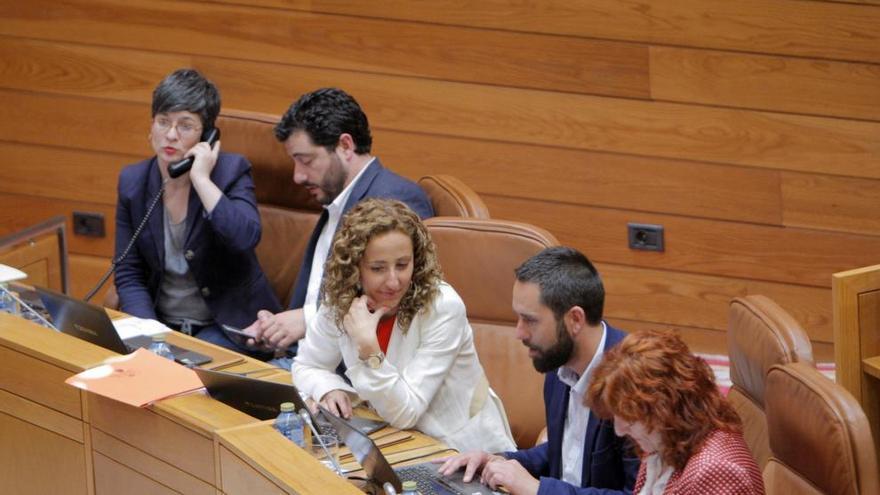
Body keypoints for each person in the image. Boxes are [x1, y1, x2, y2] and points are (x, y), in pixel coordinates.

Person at [292, 198, 514, 454]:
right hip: (393, 442)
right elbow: (307, 365)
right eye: (378, 268)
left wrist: (368, 347)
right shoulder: (342, 301)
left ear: (416, 261)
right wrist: (326, 388)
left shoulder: (442, 307)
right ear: (354, 267)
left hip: (463, 451)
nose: (393, 281)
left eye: (402, 265)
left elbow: (406, 412)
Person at [243, 88, 433, 360]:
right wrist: (279, 328)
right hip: (302, 360)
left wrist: (307, 320)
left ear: (345, 146)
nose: (297, 176)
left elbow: (397, 297)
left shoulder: (394, 199)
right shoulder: (338, 199)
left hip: (349, 378)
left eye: (305, 160)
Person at [438, 247, 638, 495]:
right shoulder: (559, 365)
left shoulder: (636, 383)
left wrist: (538, 489)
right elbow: (565, 452)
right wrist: (499, 462)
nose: (519, 333)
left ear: (575, 319)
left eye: (530, 320)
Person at [114, 68, 280, 357]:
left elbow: (245, 237)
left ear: (208, 135)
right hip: (162, 326)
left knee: (193, 376)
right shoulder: (133, 182)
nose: (170, 135)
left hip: (227, 329)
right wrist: (151, 337)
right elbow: (128, 273)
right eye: (163, 122)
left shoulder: (231, 171)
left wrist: (202, 180)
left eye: (185, 125)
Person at [586, 330, 764, 494]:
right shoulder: (664, 442)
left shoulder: (716, 472)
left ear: (665, 409)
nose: (619, 430)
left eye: (630, 419)